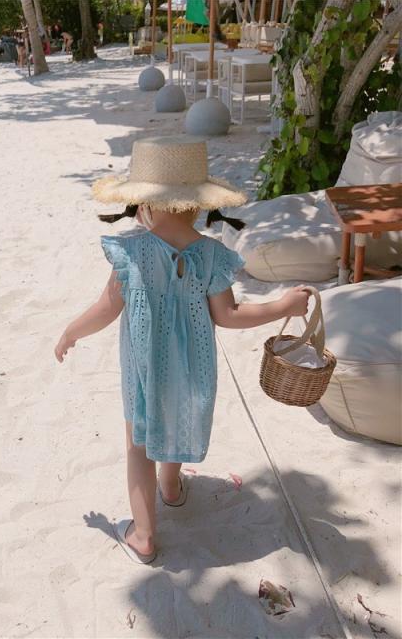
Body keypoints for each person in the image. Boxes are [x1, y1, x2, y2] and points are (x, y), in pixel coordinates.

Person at [54, 136, 310, 564]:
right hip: (193, 369)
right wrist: (282, 306)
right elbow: (229, 315)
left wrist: (70, 332)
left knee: (139, 446)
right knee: (174, 422)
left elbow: (105, 309)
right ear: (199, 204)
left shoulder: (131, 252)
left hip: (144, 371)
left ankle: (143, 535)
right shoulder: (211, 254)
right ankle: (171, 488)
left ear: (144, 203)